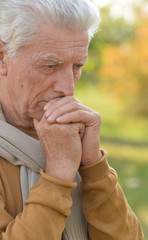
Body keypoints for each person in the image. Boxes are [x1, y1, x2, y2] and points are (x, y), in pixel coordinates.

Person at [0, 0, 144, 239]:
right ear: (3, 57)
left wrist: (93, 167)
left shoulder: (71, 135)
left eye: (78, 65)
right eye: (50, 65)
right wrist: (57, 177)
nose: (68, 88)